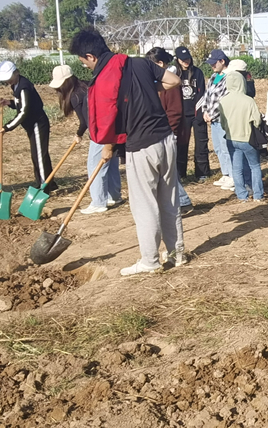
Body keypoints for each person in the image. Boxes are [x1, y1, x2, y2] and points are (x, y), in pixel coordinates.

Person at [69, 27, 187, 276]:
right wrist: (147, 90)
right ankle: (177, 254)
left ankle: (150, 261)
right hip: (166, 139)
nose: (85, 67)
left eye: (83, 62)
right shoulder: (140, 63)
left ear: (90, 56)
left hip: (141, 146)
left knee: (145, 206)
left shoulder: (103, 81)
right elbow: (174, 81)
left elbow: (109, 122)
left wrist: (108, 148)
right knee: (169, 200)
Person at [49, 64, 119, 214]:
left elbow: (86, 120)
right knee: (110, 163)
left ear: (66, 82)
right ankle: (114, 196)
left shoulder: (76, 96)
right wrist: (80, 134)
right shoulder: (86, 86)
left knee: (94, 166)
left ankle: (98, 202)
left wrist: (79, 133)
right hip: (112, 128)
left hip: (99, 133)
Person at [0, 60, 55, 193]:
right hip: (31, 126)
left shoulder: (24, 87)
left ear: (16, 73)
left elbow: (24, 111)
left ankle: (44, 187)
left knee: (39, 156)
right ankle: (49, 183)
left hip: (37, 124)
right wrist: (9, 103)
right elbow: (21, 104)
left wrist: (7, 127)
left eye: (9, 77)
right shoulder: (15, 85)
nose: (7, 81)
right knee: (37, 155)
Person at [154, 48, 194, 213]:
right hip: (164, 133)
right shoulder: (160, 83)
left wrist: (171, 133)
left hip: (169, 133)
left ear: (160, 63)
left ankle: (183, 201)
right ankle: (178, 202)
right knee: (167, 169)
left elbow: (175, 112)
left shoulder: (170, 84)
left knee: (167, 169)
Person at [219, 62, 265, 202]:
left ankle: (241, 195)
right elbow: (257, 120)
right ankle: (258, 195)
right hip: (248, 139)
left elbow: (222, 123)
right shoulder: (248, 101)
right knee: (255, 166)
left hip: (231, 139)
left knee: (236, 169)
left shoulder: (223, 101)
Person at [197, 49, 236, 190]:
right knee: (218, 148)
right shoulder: (214, 76)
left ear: (222, 61)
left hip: (223, 119)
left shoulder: (229, 77)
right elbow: (207, 95)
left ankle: (233, 176)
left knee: (226, 148)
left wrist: (213, 114)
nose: (212, 66)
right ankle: (225, 173)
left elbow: (224, 99)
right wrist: (205, 111)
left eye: (214, 63)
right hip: (212, 119)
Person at [174, 46, 210, 184]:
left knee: (201, 143)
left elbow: (201, 93)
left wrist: (199, 113)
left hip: (196, 113)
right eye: (183, 59)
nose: (186, 61)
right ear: (177, 59)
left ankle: (202, 172)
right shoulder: (174, 73)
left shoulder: (197, 72)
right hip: (181, 115)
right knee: (181, 144)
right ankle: (180, 173)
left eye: (188, 58)